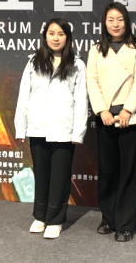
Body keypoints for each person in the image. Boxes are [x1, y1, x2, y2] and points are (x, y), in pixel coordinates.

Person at [14, 18, 88, 239]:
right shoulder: (33, 62)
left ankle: (55, 220)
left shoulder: (77, 65)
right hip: (38, 128)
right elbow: (24, 96)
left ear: (68, 38)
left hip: (64, 130)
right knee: (41, 175)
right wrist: (21, 128)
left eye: (61, 34)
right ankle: (40, 216)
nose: (56, 38)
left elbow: (81, 101)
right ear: (45, 36)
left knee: (60, 177)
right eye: (52, 33)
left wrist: (78, 132)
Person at [86, 2, 136, 242]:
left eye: (120, 19)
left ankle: (125, 224)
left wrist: (127, 109)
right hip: (105, 116)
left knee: (129, 171)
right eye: (111, 19)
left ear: (127, 22)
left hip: (130, 117)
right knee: (107, 169)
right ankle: (108, 218)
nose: (115, 24)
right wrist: (101, 110)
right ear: (104, 23)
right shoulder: (96, 49)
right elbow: (91, 81)